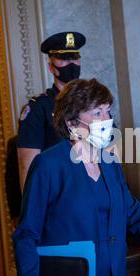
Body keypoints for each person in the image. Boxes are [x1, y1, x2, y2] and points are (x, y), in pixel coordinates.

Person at [13, 78, 140, 276]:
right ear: (71, 122)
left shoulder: (110, 163)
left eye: (107, 112)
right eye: (97, 113)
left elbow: (135, 217)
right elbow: (26, 235)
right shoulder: (48, 165)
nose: (106, 120)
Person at [16, 31, 86, 191]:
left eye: (74, 58)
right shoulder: (37, 108)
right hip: (59, 194)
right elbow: (28, 166)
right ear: (51, 67)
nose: (71, 64)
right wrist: (35, 211)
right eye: (63, 59)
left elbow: (112, 152)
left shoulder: (95, 104)